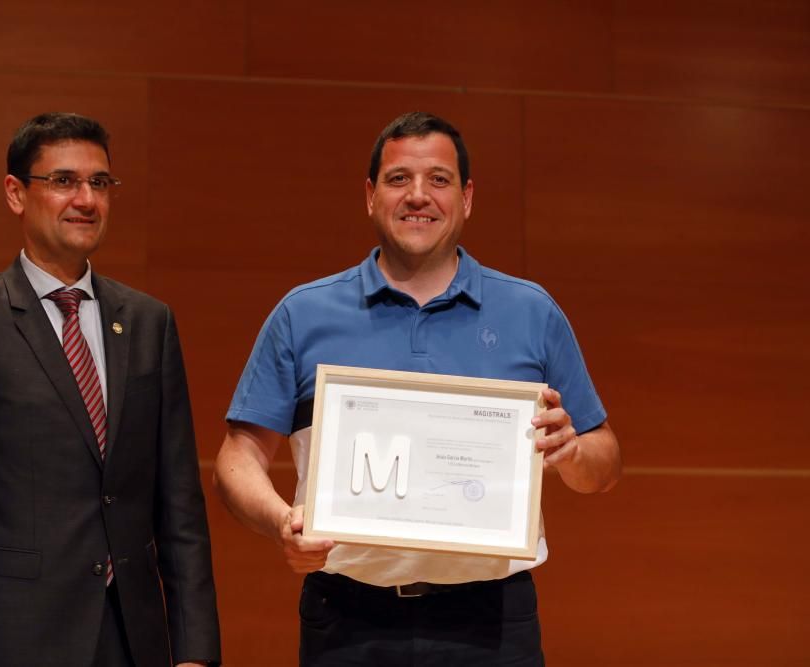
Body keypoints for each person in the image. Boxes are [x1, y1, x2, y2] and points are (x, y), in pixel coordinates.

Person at [213, 111, 621, 666]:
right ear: (370, 195)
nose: (418, 196)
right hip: (346, 620)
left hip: (493, 622)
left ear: (467, 197)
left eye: (439, 179)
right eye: (399, 179)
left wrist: (573, 451)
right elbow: (238, 456)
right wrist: (281, 520)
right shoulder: (303, 314)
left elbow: (605, 462)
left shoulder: (531, 311)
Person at [0, 112, 221, 667]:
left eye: (100, 183)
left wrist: (194, 650)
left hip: (132, 639)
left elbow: (179, 505)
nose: (86, 200)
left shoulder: (148, 322)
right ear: (16, 194)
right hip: (12, 640)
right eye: (64, 181)